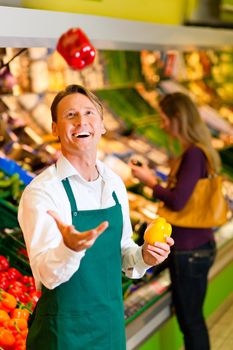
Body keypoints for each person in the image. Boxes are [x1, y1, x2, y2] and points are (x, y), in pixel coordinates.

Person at [18, 84, 174, 350]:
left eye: (89, 113)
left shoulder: (114, 183)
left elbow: (123, 254)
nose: (81, 122)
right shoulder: (43, 192)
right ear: (55, 128)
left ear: (101, 125)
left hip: (110, 328)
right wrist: (69, 248)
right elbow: (47, 276)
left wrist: (145, 256)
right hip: (63, 335)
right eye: (70, 115)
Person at [130, 92, 219, 350]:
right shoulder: (200, 151)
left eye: (164, 118)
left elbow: (178, 201)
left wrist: (150, 182)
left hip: (190, 250)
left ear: (178, 118)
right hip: (199, 245)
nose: (162, 125)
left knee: (191, 322)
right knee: (193, 319)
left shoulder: (193, 154)